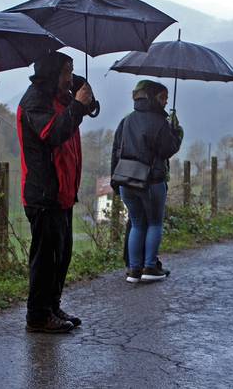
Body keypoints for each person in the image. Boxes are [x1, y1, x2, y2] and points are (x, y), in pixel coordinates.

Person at [17, 51, 94, 333]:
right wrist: (77, 105)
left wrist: (83, 95)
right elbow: (52, 132)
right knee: (46, 258)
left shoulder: (57, 97)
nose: (69, 77)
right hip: (43, 192)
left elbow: (83, 112)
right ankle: (38, 315)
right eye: (66, 72)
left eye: (72, 71)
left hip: (62, 190)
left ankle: (52, 305)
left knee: (61, 254)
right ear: (51, 73)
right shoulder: (35, 100)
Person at [111, 80, 183, 283]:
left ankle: (134, 270)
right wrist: (176, 132)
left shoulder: (126, 121)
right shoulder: (159, 122)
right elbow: (167, 149)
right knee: (154, 223)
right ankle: (150, 267)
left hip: (126, 180)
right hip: (151, 181)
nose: (166, 101)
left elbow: (116, 151)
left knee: (137, 223)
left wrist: (114, 181)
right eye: (163, 97)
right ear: (153, 97)